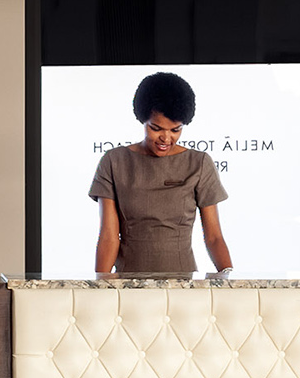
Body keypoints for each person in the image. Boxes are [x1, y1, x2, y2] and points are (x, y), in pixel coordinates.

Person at [91, 71, 233, 276]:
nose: (166, 138)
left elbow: (213, 237)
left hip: (181, 284)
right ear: (143, 119)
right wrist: (100, 286)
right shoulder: (114, 161)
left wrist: (228, 278)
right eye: (156, 128)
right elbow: (109, 236)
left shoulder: (199, 163)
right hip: (129, 282)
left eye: (175, 130)